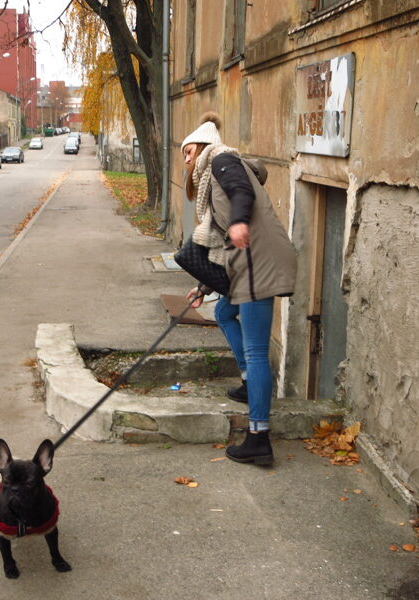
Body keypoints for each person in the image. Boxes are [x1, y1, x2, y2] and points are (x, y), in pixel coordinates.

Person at [181, 112, 297, 465]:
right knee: (223, 311)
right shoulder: (212, 175)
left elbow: (241, 192)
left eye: (188, 152)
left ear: (202, 145)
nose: (185, 160)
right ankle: (250, 384)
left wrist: (239, 222)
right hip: (246, 260)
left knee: (257, 350)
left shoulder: (221, 160)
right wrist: (203, 286)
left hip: (258, 259)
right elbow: (218, 244)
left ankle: (259, 437)